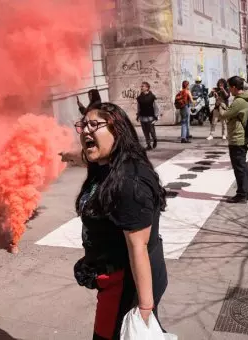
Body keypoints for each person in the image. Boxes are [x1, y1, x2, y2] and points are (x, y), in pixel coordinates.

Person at [72, 102, 168, 340]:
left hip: (125, 286)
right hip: (112, 279)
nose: (86, 130)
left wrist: (144, 309)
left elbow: (139, 247)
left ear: (118, 131)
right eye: (83, 125)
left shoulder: (129, 183)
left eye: (94, 124)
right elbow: (88, 159)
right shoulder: (107, 166)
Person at [221, 76, 248, 204]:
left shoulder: (238, 102)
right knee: (243, 165)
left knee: (239, 167)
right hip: (244, 136)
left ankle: (241, 194)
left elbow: (224, 115)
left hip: (238, 137)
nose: (229, 90)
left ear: (234, 88)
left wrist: (221, 104)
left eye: (230, 87)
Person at [136, 82, 159, 150]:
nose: (141, 88)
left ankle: (155, 139)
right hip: (142, 117)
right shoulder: (139, 98)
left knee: (152, 131)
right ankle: (148, 145)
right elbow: (138, 107)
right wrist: (138, 115)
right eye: (141, 86)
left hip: (150, 117)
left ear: (147, 88)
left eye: (143, 86)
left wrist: (156, 116)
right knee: (145, 132)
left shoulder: (152, 97)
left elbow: (156, 107)